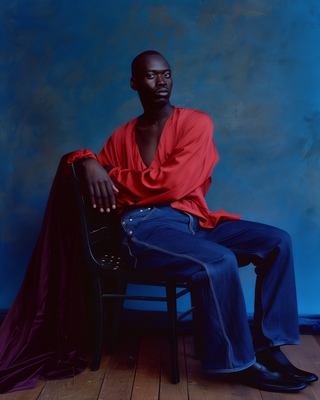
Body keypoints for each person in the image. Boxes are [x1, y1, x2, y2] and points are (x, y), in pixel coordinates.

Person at [70, 50, 318, 393]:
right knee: (218, 260)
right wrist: (88, 161)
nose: (161, 82)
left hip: (194, 219)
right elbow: (108, 186)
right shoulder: (119, 137)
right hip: (143, 227)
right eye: (151, 76)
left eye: (166, 74)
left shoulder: (196, 122)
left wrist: (115, 175)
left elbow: (172, 184)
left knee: (277, 242)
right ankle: (239, 362)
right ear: (134, 83)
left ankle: (267, 347)